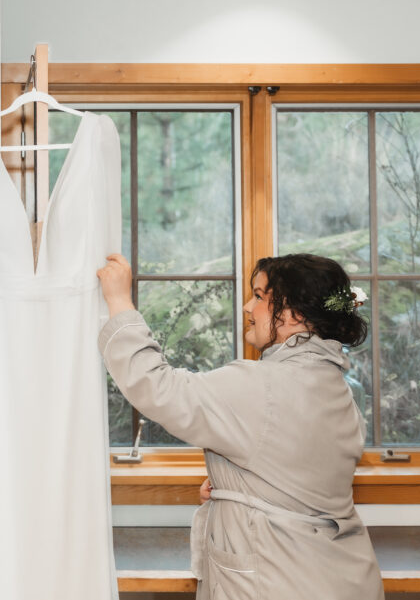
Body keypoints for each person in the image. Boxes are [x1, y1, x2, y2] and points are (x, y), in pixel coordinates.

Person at [96, 252, 383, 600]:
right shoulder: (338, 387)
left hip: (281, 582)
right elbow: (297, 478)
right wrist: (236, 488)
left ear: (294, 314)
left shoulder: (264, 385)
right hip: (341, 576)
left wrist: (119, 302)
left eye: (260, 296)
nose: (248, 307)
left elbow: (159, 387)